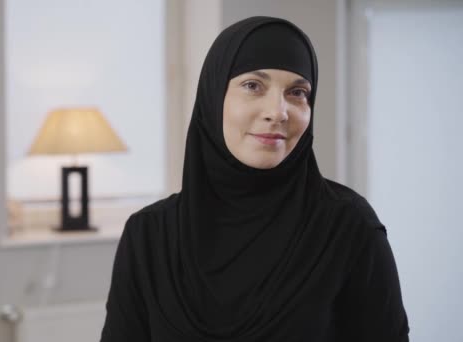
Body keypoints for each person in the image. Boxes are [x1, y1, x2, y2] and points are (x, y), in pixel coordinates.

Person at [100, 16, 409, 342]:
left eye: (297, 92)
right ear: (213, 95)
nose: (278, 112)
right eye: (253, 86)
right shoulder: (149, 235)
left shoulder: (348, 225)